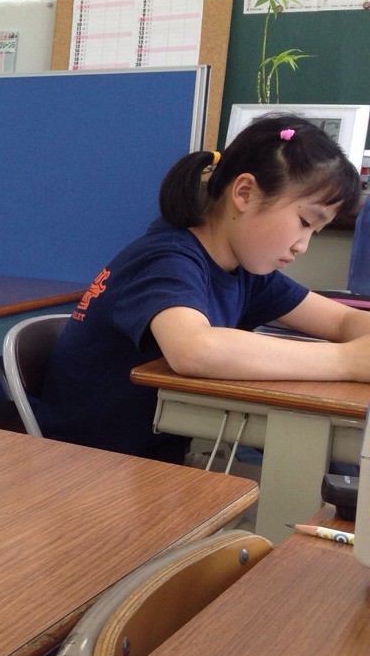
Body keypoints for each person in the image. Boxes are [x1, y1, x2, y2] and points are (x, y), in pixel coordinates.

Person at [37, 113, 367, 463]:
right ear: (244, 192)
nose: (303, 245)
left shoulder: (244, 269)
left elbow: (342, 321)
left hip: (148, 462)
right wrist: (346, 361)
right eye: (304, 222)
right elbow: (193, 348)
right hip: (88, 467)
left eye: (314, 231)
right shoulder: (167, 259)